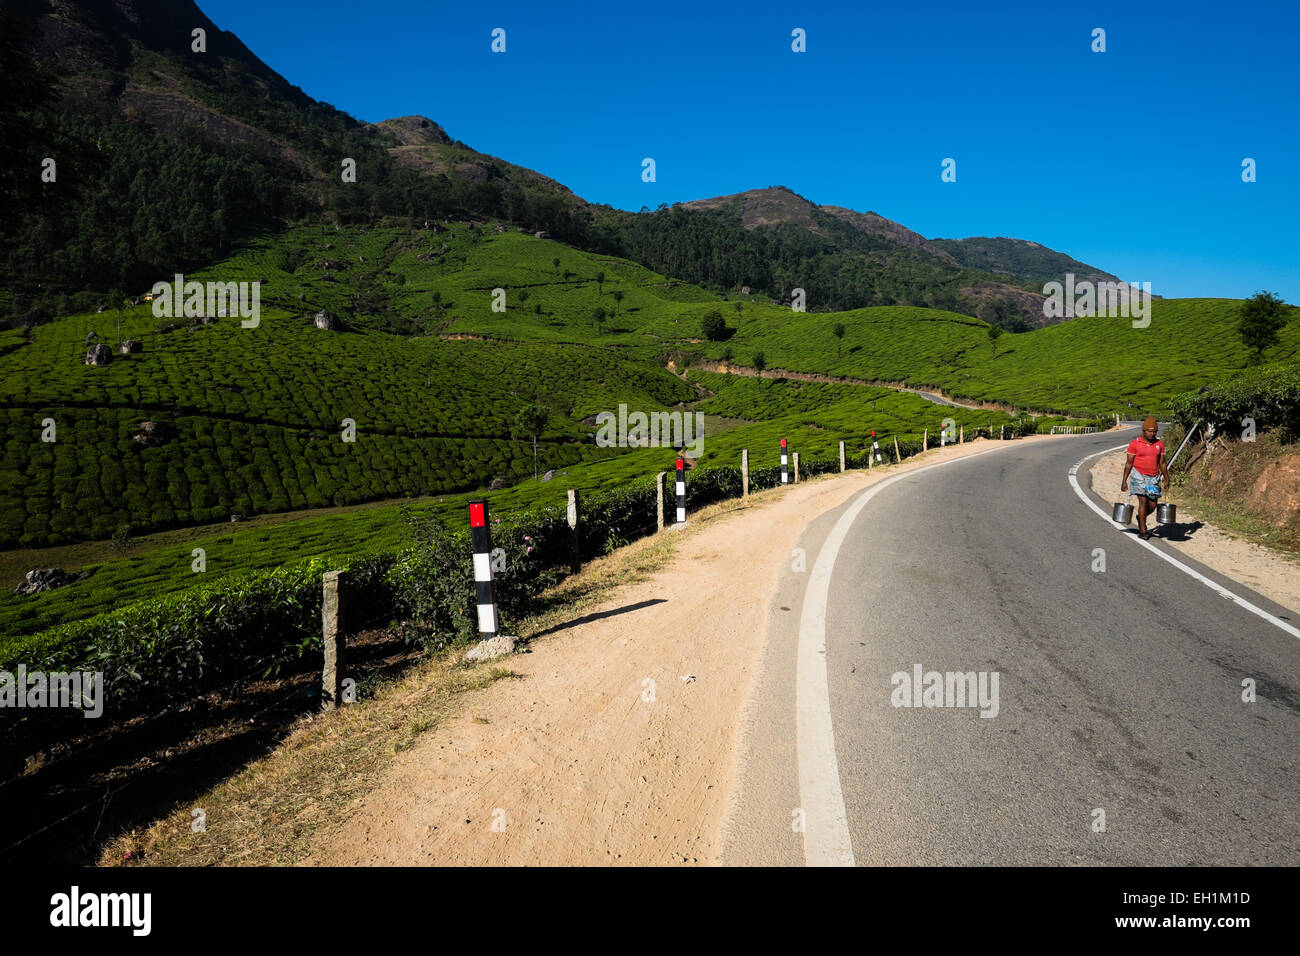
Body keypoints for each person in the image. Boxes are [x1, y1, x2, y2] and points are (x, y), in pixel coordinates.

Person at [1121, 417, 1169, 539]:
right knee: (1143, 502)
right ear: (1144, 430)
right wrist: (1124, 480)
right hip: (1139, 477)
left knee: (1152, 505)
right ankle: (1143, 531)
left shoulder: (1159, 445)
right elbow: (1129, 463)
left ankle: (1140, 517)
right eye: (1150, 431)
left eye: (1155, 432)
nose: (1152, 434)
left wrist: (1167, 478)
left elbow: (1162, 463)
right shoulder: (1135, 444)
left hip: (1153, 478)